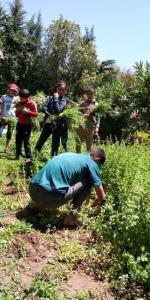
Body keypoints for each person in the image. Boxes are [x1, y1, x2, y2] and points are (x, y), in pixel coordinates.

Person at [29, 147, 106, 226]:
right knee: (88, 182)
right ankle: (70, 218)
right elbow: (102, 197)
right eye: (99, 166)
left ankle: (39, 206)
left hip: (32, 190)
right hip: (51, 197)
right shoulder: (92, 163)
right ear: (97, 158)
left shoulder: (71, 155)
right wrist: (102, 206)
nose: (97, 168)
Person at [35, 81, 68, 157]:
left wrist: (56, 99)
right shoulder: (50, 98)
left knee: (55, 143)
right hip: (48, 123)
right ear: (56, 89)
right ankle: (34, 155)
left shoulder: (64, 100)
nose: (61, 91)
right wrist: (46, 110)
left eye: (63, 90)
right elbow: (44, 107)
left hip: (58, 125)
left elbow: (58, 110)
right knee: (41, 139)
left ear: (64, 91)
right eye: (59, 89)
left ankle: (53, 157)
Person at [15, 89, 38, 161]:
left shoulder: (32, 103)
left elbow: (36, 114)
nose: (21, 99)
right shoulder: (19, 103)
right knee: (18, 140)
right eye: (20, 98)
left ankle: (29, 157)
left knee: (26, 141)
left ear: (27, 97)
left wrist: (28, 112)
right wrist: (17, 110)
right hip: (19, 124)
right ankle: (17, 155)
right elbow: (17, 114)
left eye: (22, 98)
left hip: (27, 125)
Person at [76, 88, 99, 153]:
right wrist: (82, 113)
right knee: (78, 144)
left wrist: (96, 129)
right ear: (86, 94)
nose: (89, 95)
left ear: (94, 94)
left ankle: (88, 160)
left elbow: (98, 118)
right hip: (80, 126)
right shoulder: (82, 103)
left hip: (90, 127)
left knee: (89, 147)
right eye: (88, 93)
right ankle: (78, 158)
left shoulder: (96, 105)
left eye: (91, 93)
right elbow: (77, 114)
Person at [0, 83, 19, 153]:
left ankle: (6, 148)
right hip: (3, 117)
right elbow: (1, 107)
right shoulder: (3, 97)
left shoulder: (16, 99)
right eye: (12, 90)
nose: (13, 92)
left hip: (12, 119)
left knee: (9, 134)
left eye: (14, 91)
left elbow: (18, 108)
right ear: (9, 90)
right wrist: (1, 115)